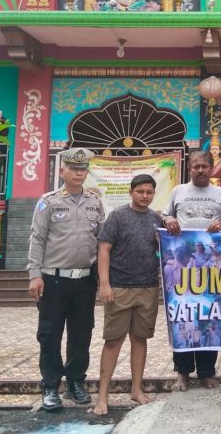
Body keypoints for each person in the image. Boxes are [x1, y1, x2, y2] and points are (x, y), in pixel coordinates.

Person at [27, 148, 104, 411]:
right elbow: (37, 239)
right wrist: (35, 275)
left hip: (84, 280)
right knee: (50, 335)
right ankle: (50, 387)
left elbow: (101, 240)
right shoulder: (48, 202)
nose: (79, 173)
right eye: (73, 169)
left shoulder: (95, 201)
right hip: (54, 280)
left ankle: (75, 383)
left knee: (81, 334)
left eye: (83, 169)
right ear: (63, 171)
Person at [91, 174, 162, 415]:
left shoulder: (156, 219)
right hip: (119, 287)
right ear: (131, 192)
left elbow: (162, 250)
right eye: (140, 191)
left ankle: (137, 390)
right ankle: (102, 396)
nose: (145, 196)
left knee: (140, 339)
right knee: (113, 341)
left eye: (149, 192)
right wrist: (105, 284)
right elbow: (104, 249)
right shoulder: (118, 217)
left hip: (148, 287)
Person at [162, 150, 221, 391]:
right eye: (196, 166)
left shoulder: (220, 193)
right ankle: (182, 373)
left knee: (208, 317)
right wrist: (168, 220)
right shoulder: (178, 191)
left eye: (204, 166)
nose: (200, 170)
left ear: (212, 168)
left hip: (209, 272)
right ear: (190, 168)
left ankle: (207, 372)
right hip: (182, 272)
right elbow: (165, 215)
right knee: (183, 318)